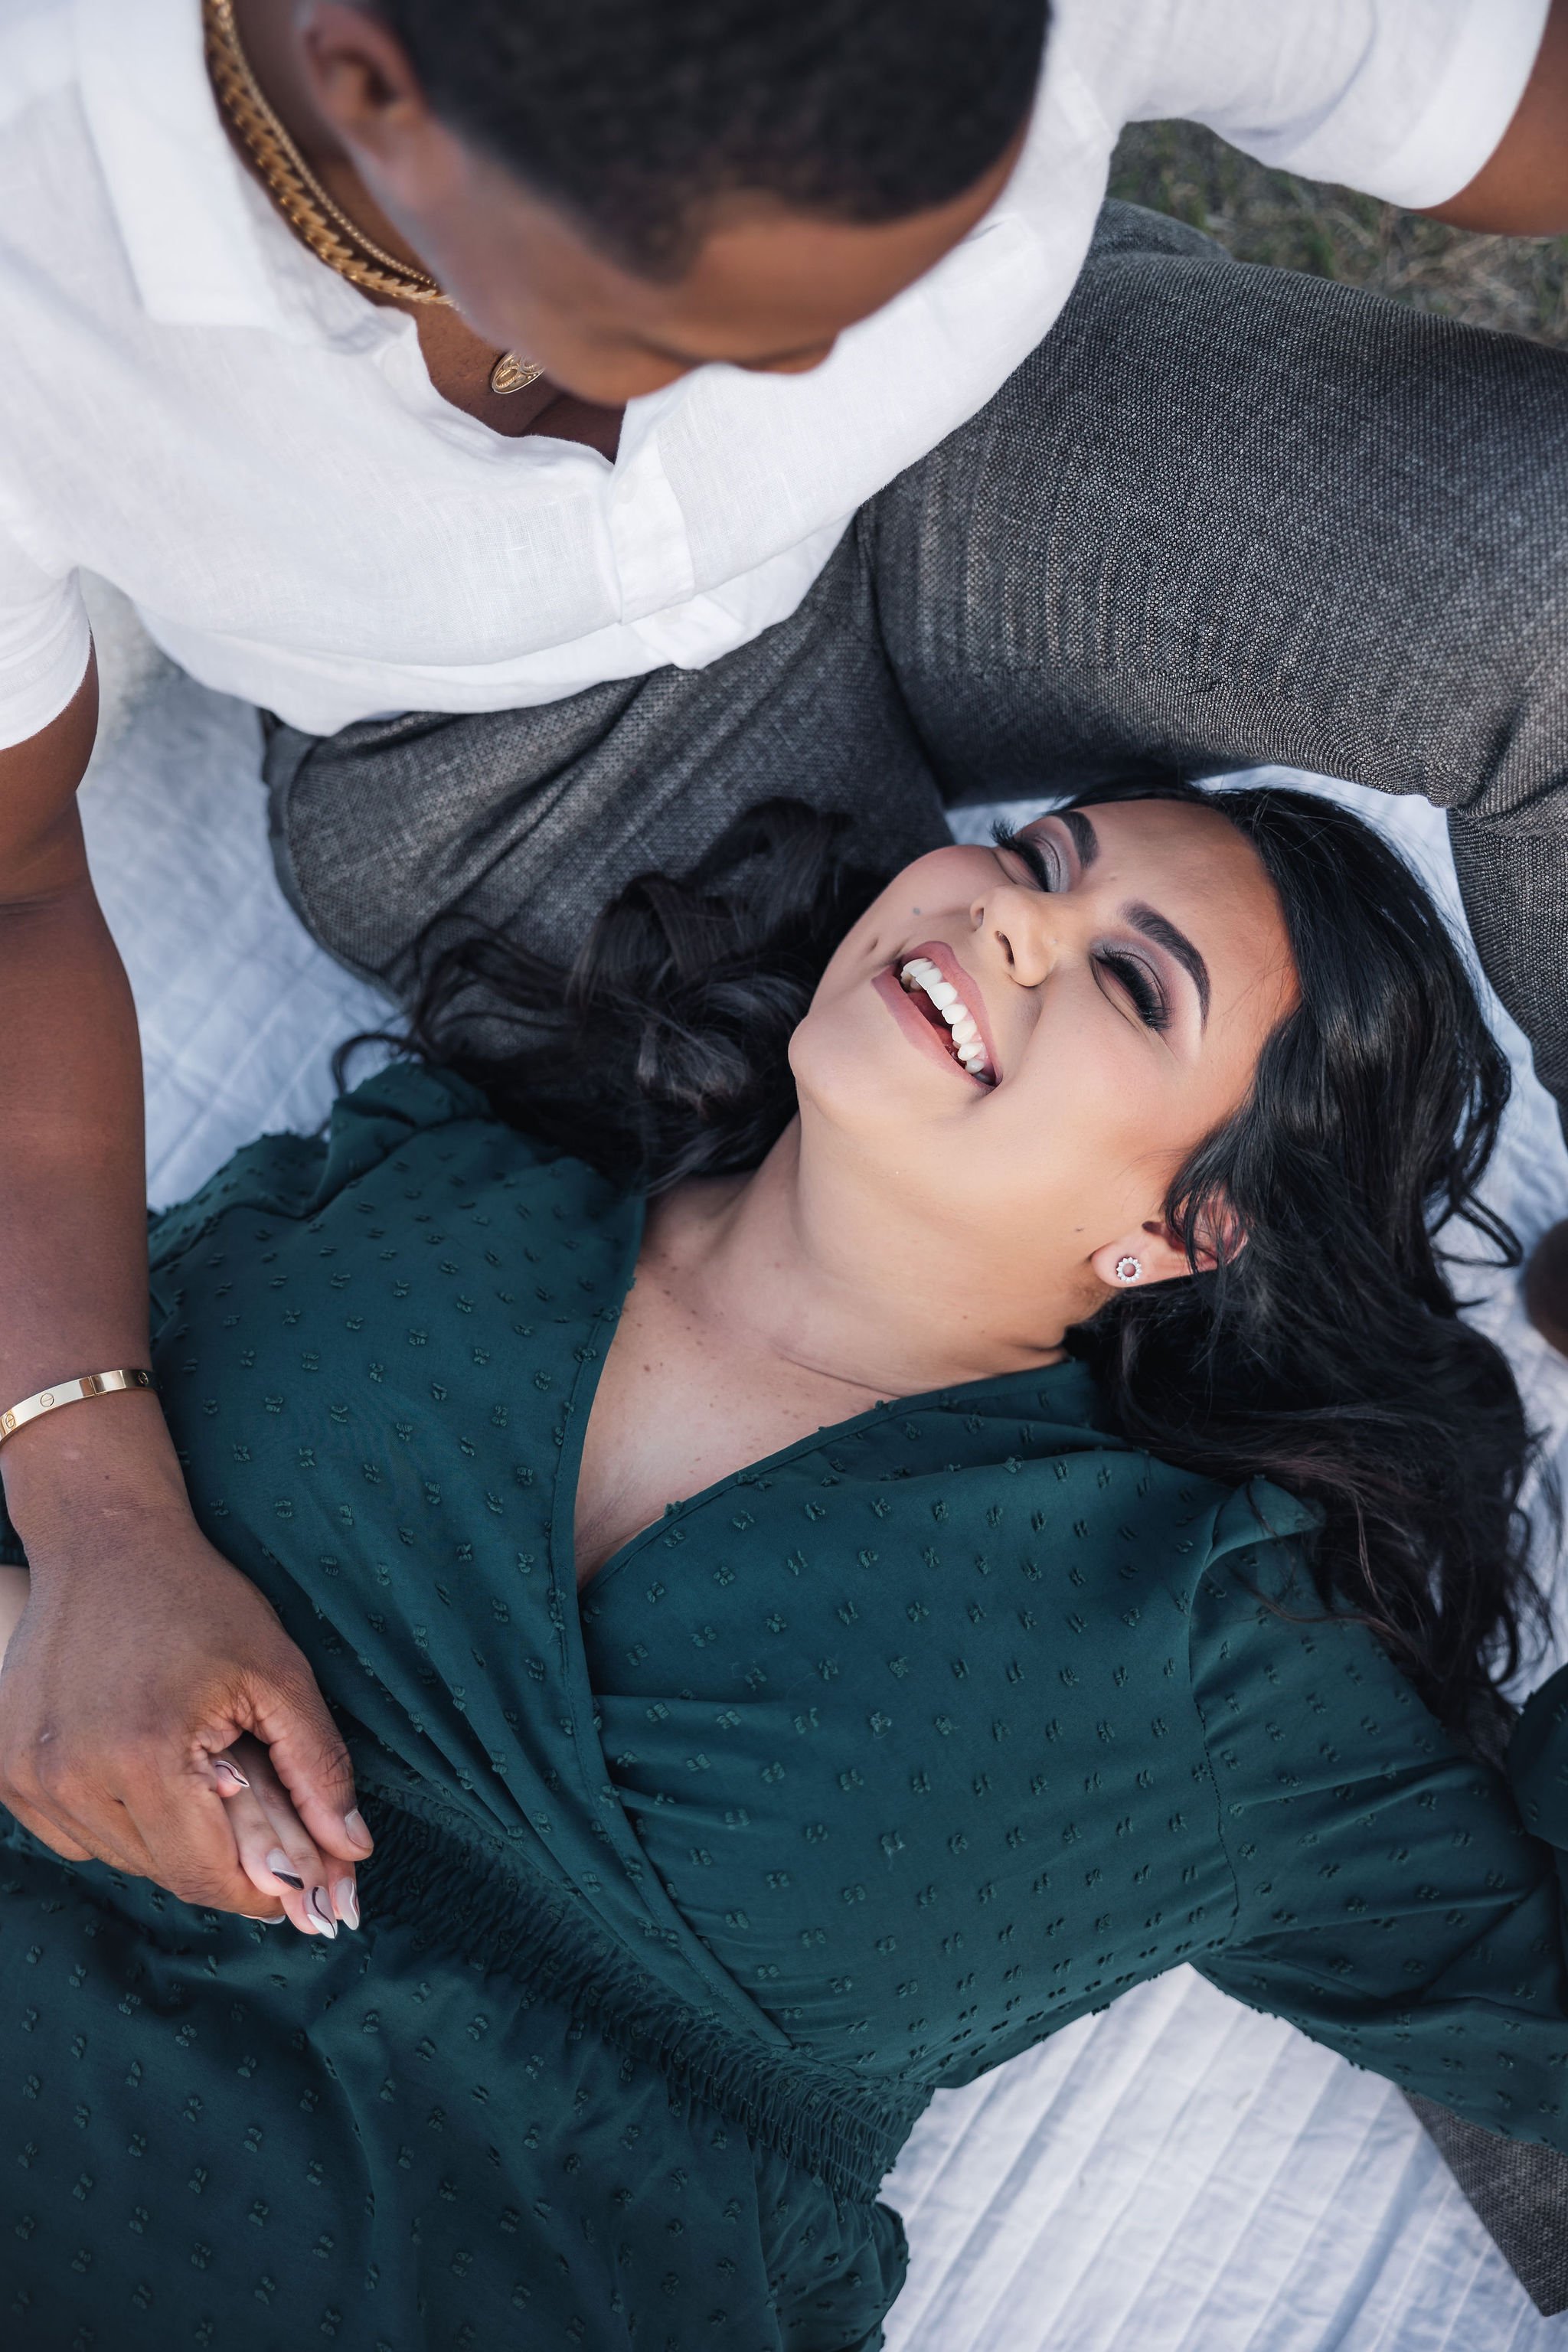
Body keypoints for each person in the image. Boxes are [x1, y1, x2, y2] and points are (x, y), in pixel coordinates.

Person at [5, 0, 1568, 1931]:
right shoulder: (33, 203)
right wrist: (92, 1516)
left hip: (993, 455)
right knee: (890, 1223)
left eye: (912, 244)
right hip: (525, 766)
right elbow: (11, 886)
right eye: (698, 316)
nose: (799, 379)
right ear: (362, 72)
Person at [2, 780, 1568, 2348]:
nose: (1012, 913)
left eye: (1130, 979)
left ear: (1189, 1224)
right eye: (1034, 858)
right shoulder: (420, 1185)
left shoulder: (1211, 1654)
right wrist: (54, 1612)